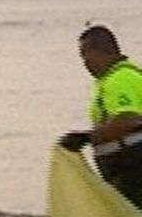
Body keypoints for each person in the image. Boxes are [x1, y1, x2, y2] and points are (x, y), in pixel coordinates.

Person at [61, 25, 142, 207]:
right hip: (122, 165)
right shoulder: (109, 80)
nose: (84, 62)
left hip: (133, 165)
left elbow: (128, 119)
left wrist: (87, 137)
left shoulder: (120, 79)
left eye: (85, 55)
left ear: (98, 51)